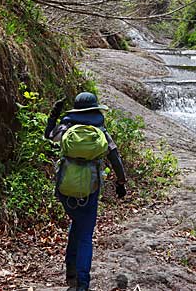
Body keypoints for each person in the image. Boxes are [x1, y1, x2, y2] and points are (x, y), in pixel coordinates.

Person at [45, 92, 127, 291]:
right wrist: (121, 182)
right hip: (90, 190)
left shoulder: (66, 127)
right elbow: (114, 157)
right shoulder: (100, 129)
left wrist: (53, 115)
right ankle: (82, 283)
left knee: (77, 222)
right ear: (94, 109)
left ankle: (70, 271)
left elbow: (48, 135)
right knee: (85, 235)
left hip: (65, 188)